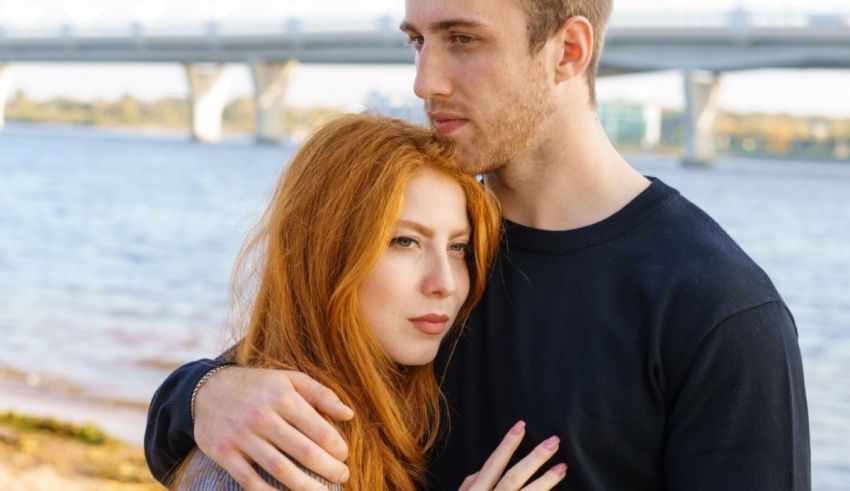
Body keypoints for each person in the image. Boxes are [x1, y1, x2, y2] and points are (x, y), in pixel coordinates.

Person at [146, 1, 811, 489]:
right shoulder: (422, 250)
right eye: (417, 41)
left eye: (462, 39)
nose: (425, 80)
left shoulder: (717, 310)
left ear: (568, 51)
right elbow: (224, 410)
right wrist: (205, 392)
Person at [157, 113, 568, 490]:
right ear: (327, 257)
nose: (444, 283)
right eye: (405, 241)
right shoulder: (285, 456)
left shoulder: (391, 402)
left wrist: (197, 390)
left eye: (458, 247)